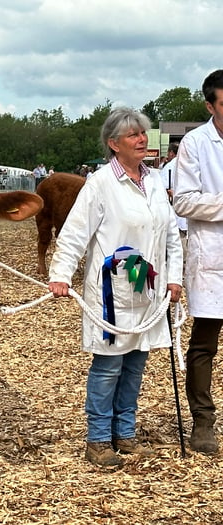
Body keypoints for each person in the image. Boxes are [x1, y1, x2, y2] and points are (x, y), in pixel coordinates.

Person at [48, 107, 183, 468]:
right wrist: (60, 273)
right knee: (108, 367)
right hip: (112, 292)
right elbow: (76, 233)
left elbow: (171, 234)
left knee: (136, 364)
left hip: (148, 291)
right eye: (133, 135)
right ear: (113, 144)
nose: (142, 139)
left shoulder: (154, 181)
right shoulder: (100, 184)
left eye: (143, 133)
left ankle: (125, 433)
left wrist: (174, 278)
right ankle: (97, 440)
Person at [173, 69, 223, 455]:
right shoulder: (194, 144)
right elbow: (183, 201)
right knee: (204, 345)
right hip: (212, 256)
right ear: (210, 105)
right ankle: (203, 422)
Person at [160, 142, 188, 236]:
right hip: (191, 221)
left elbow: (161, 189)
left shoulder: (169, 167)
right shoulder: (190, 163)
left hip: (176, 219)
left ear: (171, 153)